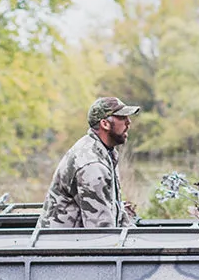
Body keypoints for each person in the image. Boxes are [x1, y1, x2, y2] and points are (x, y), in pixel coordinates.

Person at [39, 97, 139, 228]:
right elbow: (101, 232)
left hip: (75, 242)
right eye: (122, 118)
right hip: (60, 245)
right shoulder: (92, 165)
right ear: (105, 124)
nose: (128, 122)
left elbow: (114, 213)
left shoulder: (105, 152)